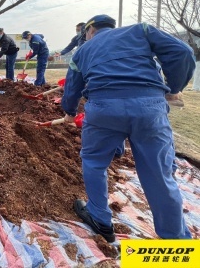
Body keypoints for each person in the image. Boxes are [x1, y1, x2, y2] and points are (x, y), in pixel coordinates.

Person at [61, 15, 195, 242]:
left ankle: (100, 218)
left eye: (86, 33)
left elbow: (73, 85)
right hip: (149, 109)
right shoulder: (141, 30)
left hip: (103, 109)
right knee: (159, 174)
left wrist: (69, 111)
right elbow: (184, 53)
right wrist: (174, 86)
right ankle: (176, 242)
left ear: (91, 29)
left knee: (93, 161)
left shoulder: (83, 50)